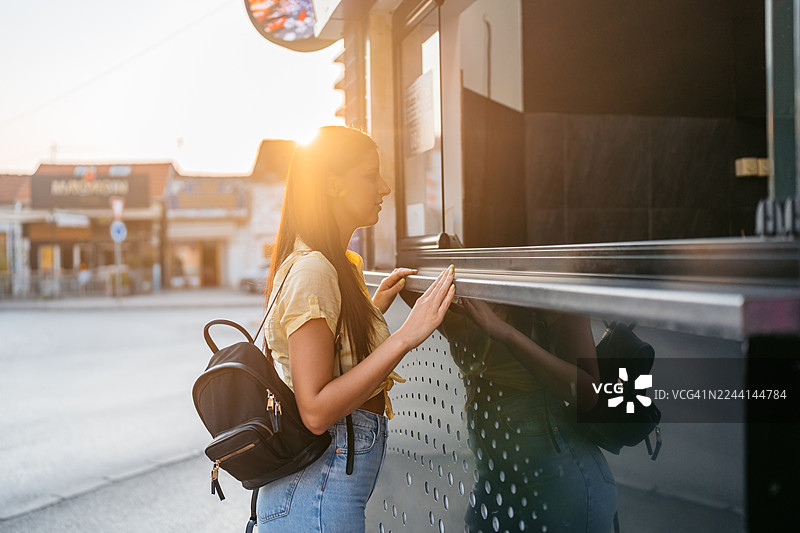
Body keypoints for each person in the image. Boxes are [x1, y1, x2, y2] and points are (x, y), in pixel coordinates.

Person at [257, 126, 456, 532]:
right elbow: (314, 410)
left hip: (319, 492)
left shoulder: (328, 265)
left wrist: (369, 312)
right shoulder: (314, 270)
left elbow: (326, 354)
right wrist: (404, 336)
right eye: (370, 176)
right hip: (316, 497)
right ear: (333, 185)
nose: (384, 188)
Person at [443, 298, 618, 533]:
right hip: (494, 473)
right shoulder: (464, 274)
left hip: (557, 480)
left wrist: (506, 333)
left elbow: (588, 392)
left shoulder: (548, 277)